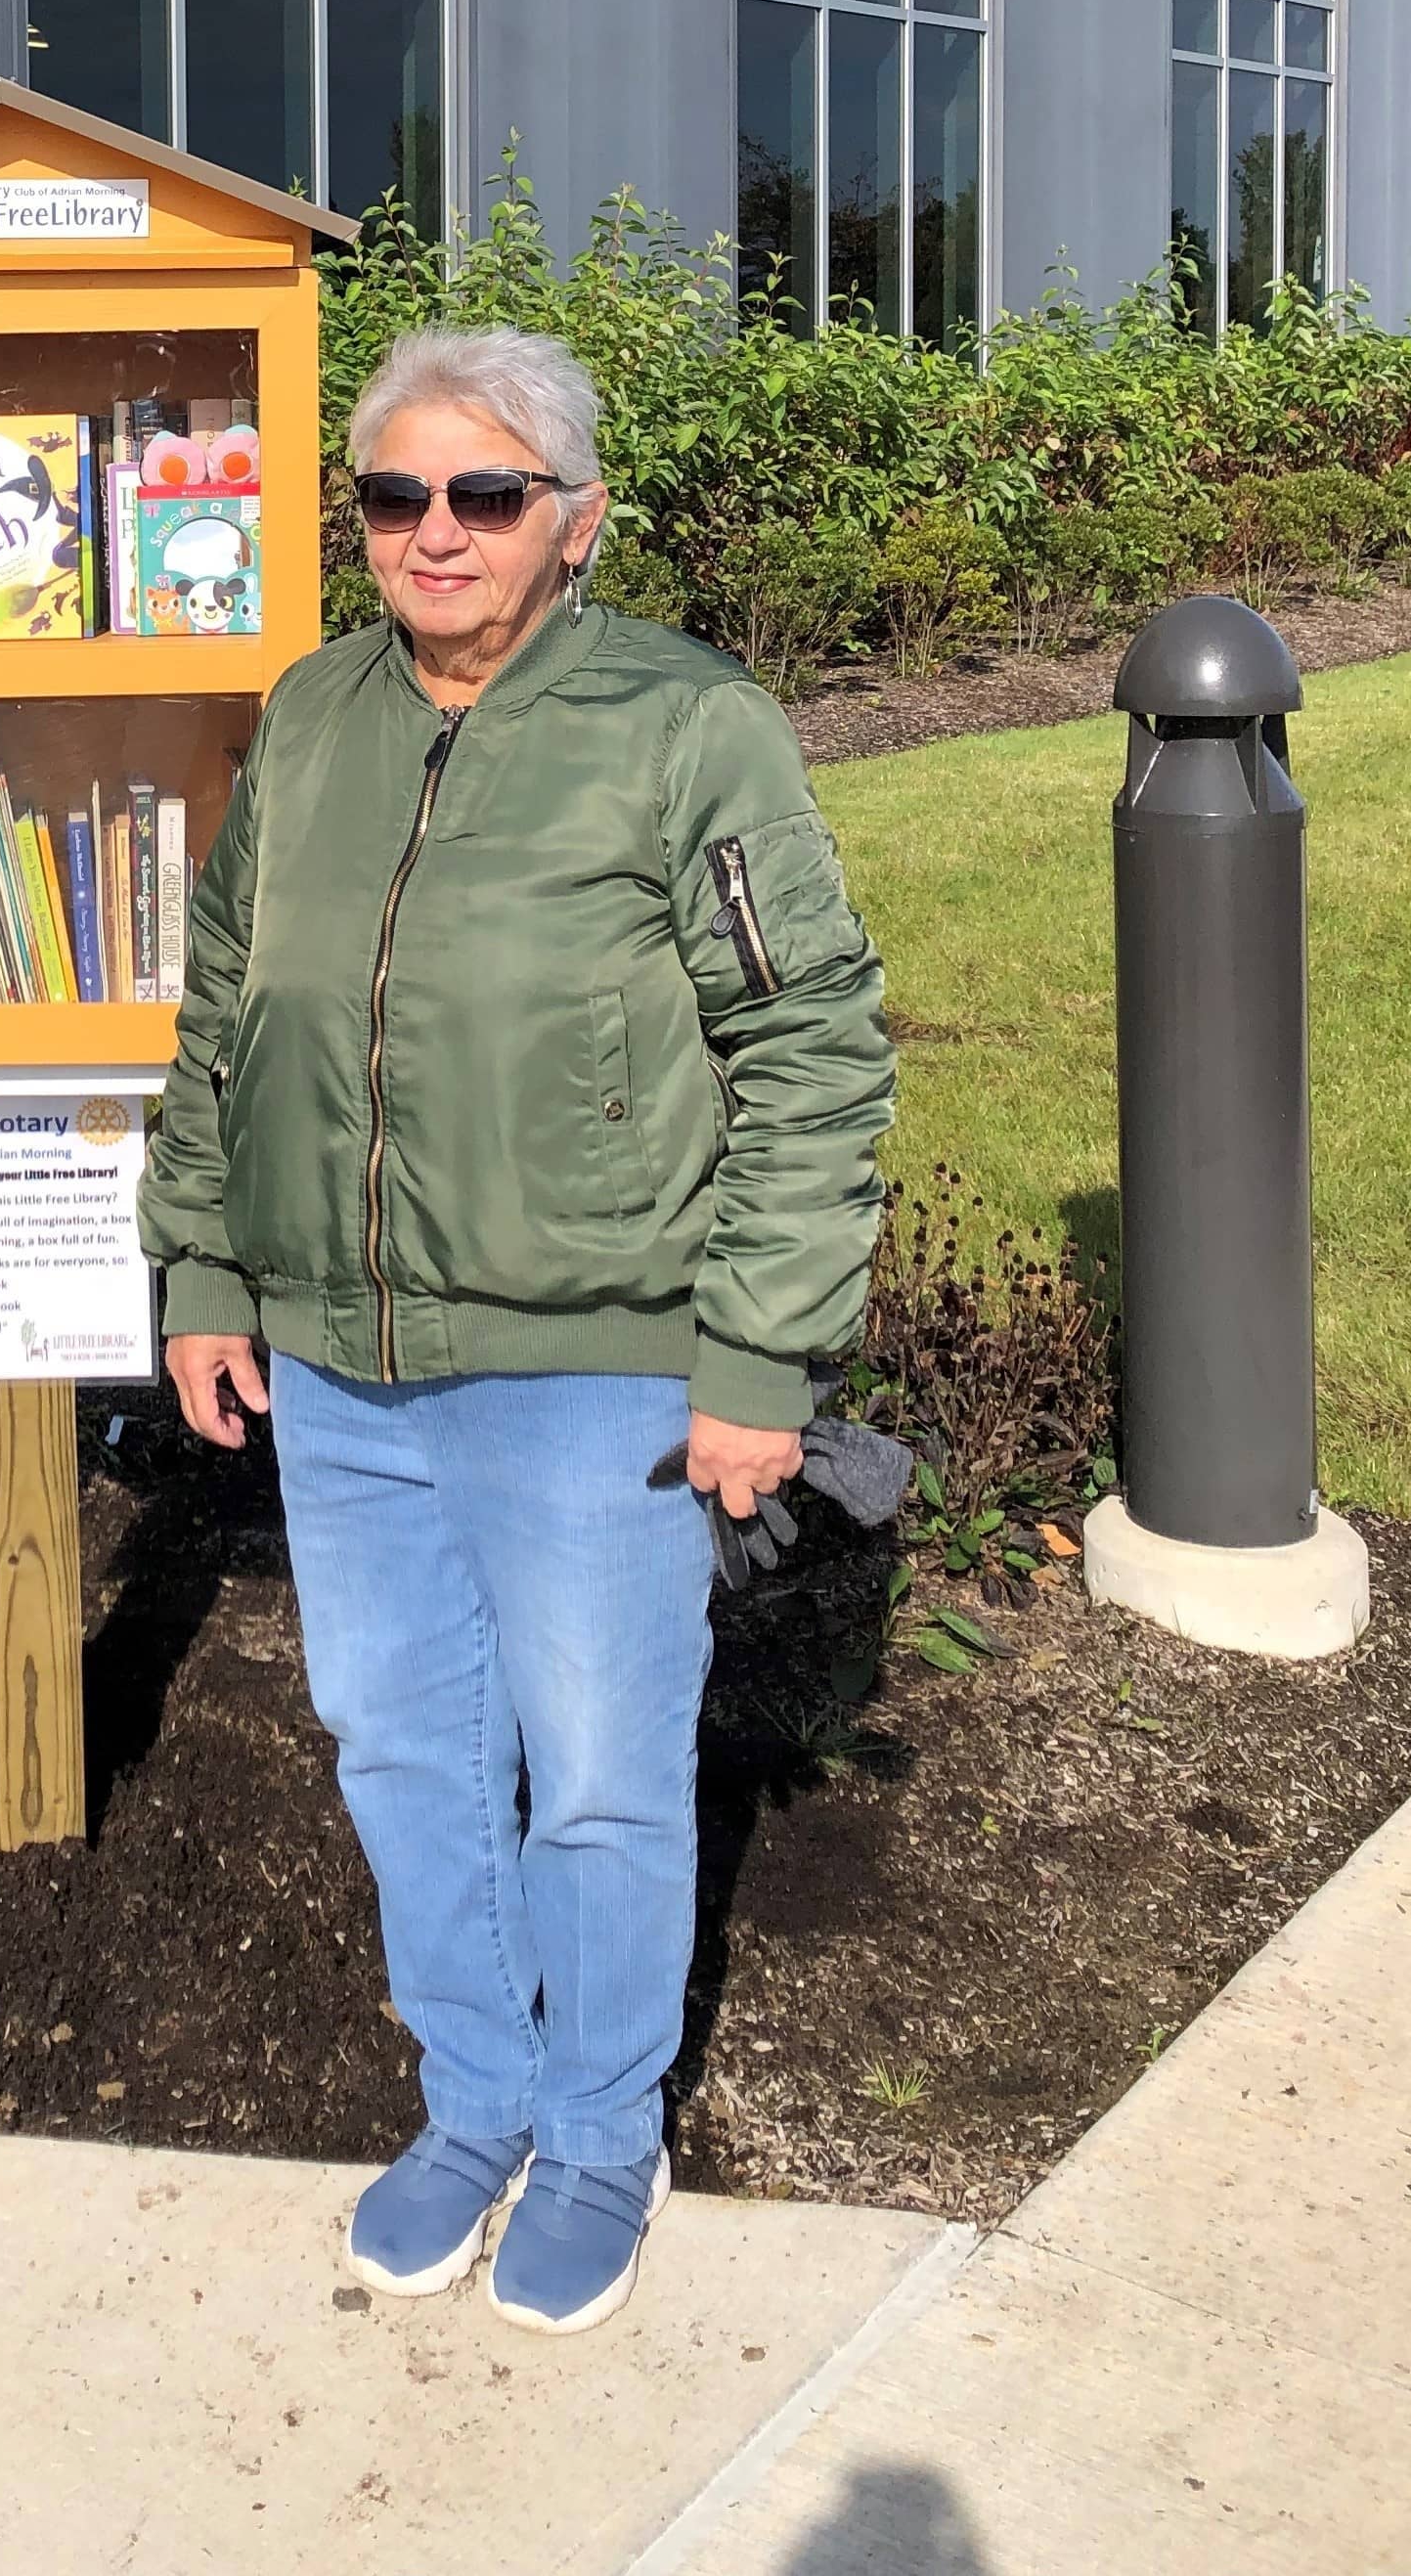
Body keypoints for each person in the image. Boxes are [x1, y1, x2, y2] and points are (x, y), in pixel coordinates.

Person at [141, 327, 892, 2335]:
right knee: (398, 1750)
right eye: (396, 497)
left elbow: (810, 1039)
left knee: (605, 1780)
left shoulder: (683, 725)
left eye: (486, 494)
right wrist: (208, 1267)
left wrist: (758, 1358)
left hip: (593, 1368)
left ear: (575, 522)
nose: (436, 533)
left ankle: (599, 2134)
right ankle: (472, 2104)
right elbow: (226, 1013)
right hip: (345, 1365)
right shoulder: (310, 720)